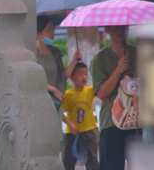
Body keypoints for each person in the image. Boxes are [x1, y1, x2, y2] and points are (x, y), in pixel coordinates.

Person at [91, 26, 140, 170]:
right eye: (116, 27)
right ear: (108, 29)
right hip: (111, 122)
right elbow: (101, 94)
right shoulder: (100, 59)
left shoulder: (137, 54)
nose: (120, 30)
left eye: (123, 27)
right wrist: (118, 70)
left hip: (135, 120)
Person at [60, 59, 99, 170]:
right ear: (72, 77)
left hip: (90, 131)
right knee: (68, 161)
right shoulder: (68, 94)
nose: (84, 77)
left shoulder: (90, 90)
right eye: (80, 74)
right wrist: (69, 123)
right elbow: (59, 111)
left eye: (86, 74)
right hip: (72, 133)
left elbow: (101, 89)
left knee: (92, 161)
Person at [36, 15, 66, 109]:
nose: (52, 33)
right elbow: (32, 79)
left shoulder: (55, 52)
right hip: (38, 102)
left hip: (55, 103)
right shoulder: (31, 54)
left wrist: (74, 60)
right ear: (39, 34)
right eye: (48, 30)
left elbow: (63, 75)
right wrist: (52, 89)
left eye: (53, 29)